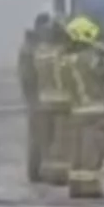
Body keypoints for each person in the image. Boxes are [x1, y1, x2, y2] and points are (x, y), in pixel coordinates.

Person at [60, 15, 104, 199]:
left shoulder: (66, 60)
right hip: (95, 110)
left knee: (78, 153)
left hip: (76, 110)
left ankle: (77, 186)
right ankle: (90, 189)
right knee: (92, 152)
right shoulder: (91, 58)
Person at [31, 18, 72, 184]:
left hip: (43, 100)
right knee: (60, 141)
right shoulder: (63, 55)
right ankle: (58, 175)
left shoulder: (40, 53)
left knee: (45, 140)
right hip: (62, 102)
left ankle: (45, 171)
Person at [18, 14, 53, 182]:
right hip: (37, 98)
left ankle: (39, 170)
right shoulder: (31, 48)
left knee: (43, 136)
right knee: (38, 137)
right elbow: (27, 76)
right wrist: (32, 97)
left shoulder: (35, 46)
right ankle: (35, 171)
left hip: (40, 97)